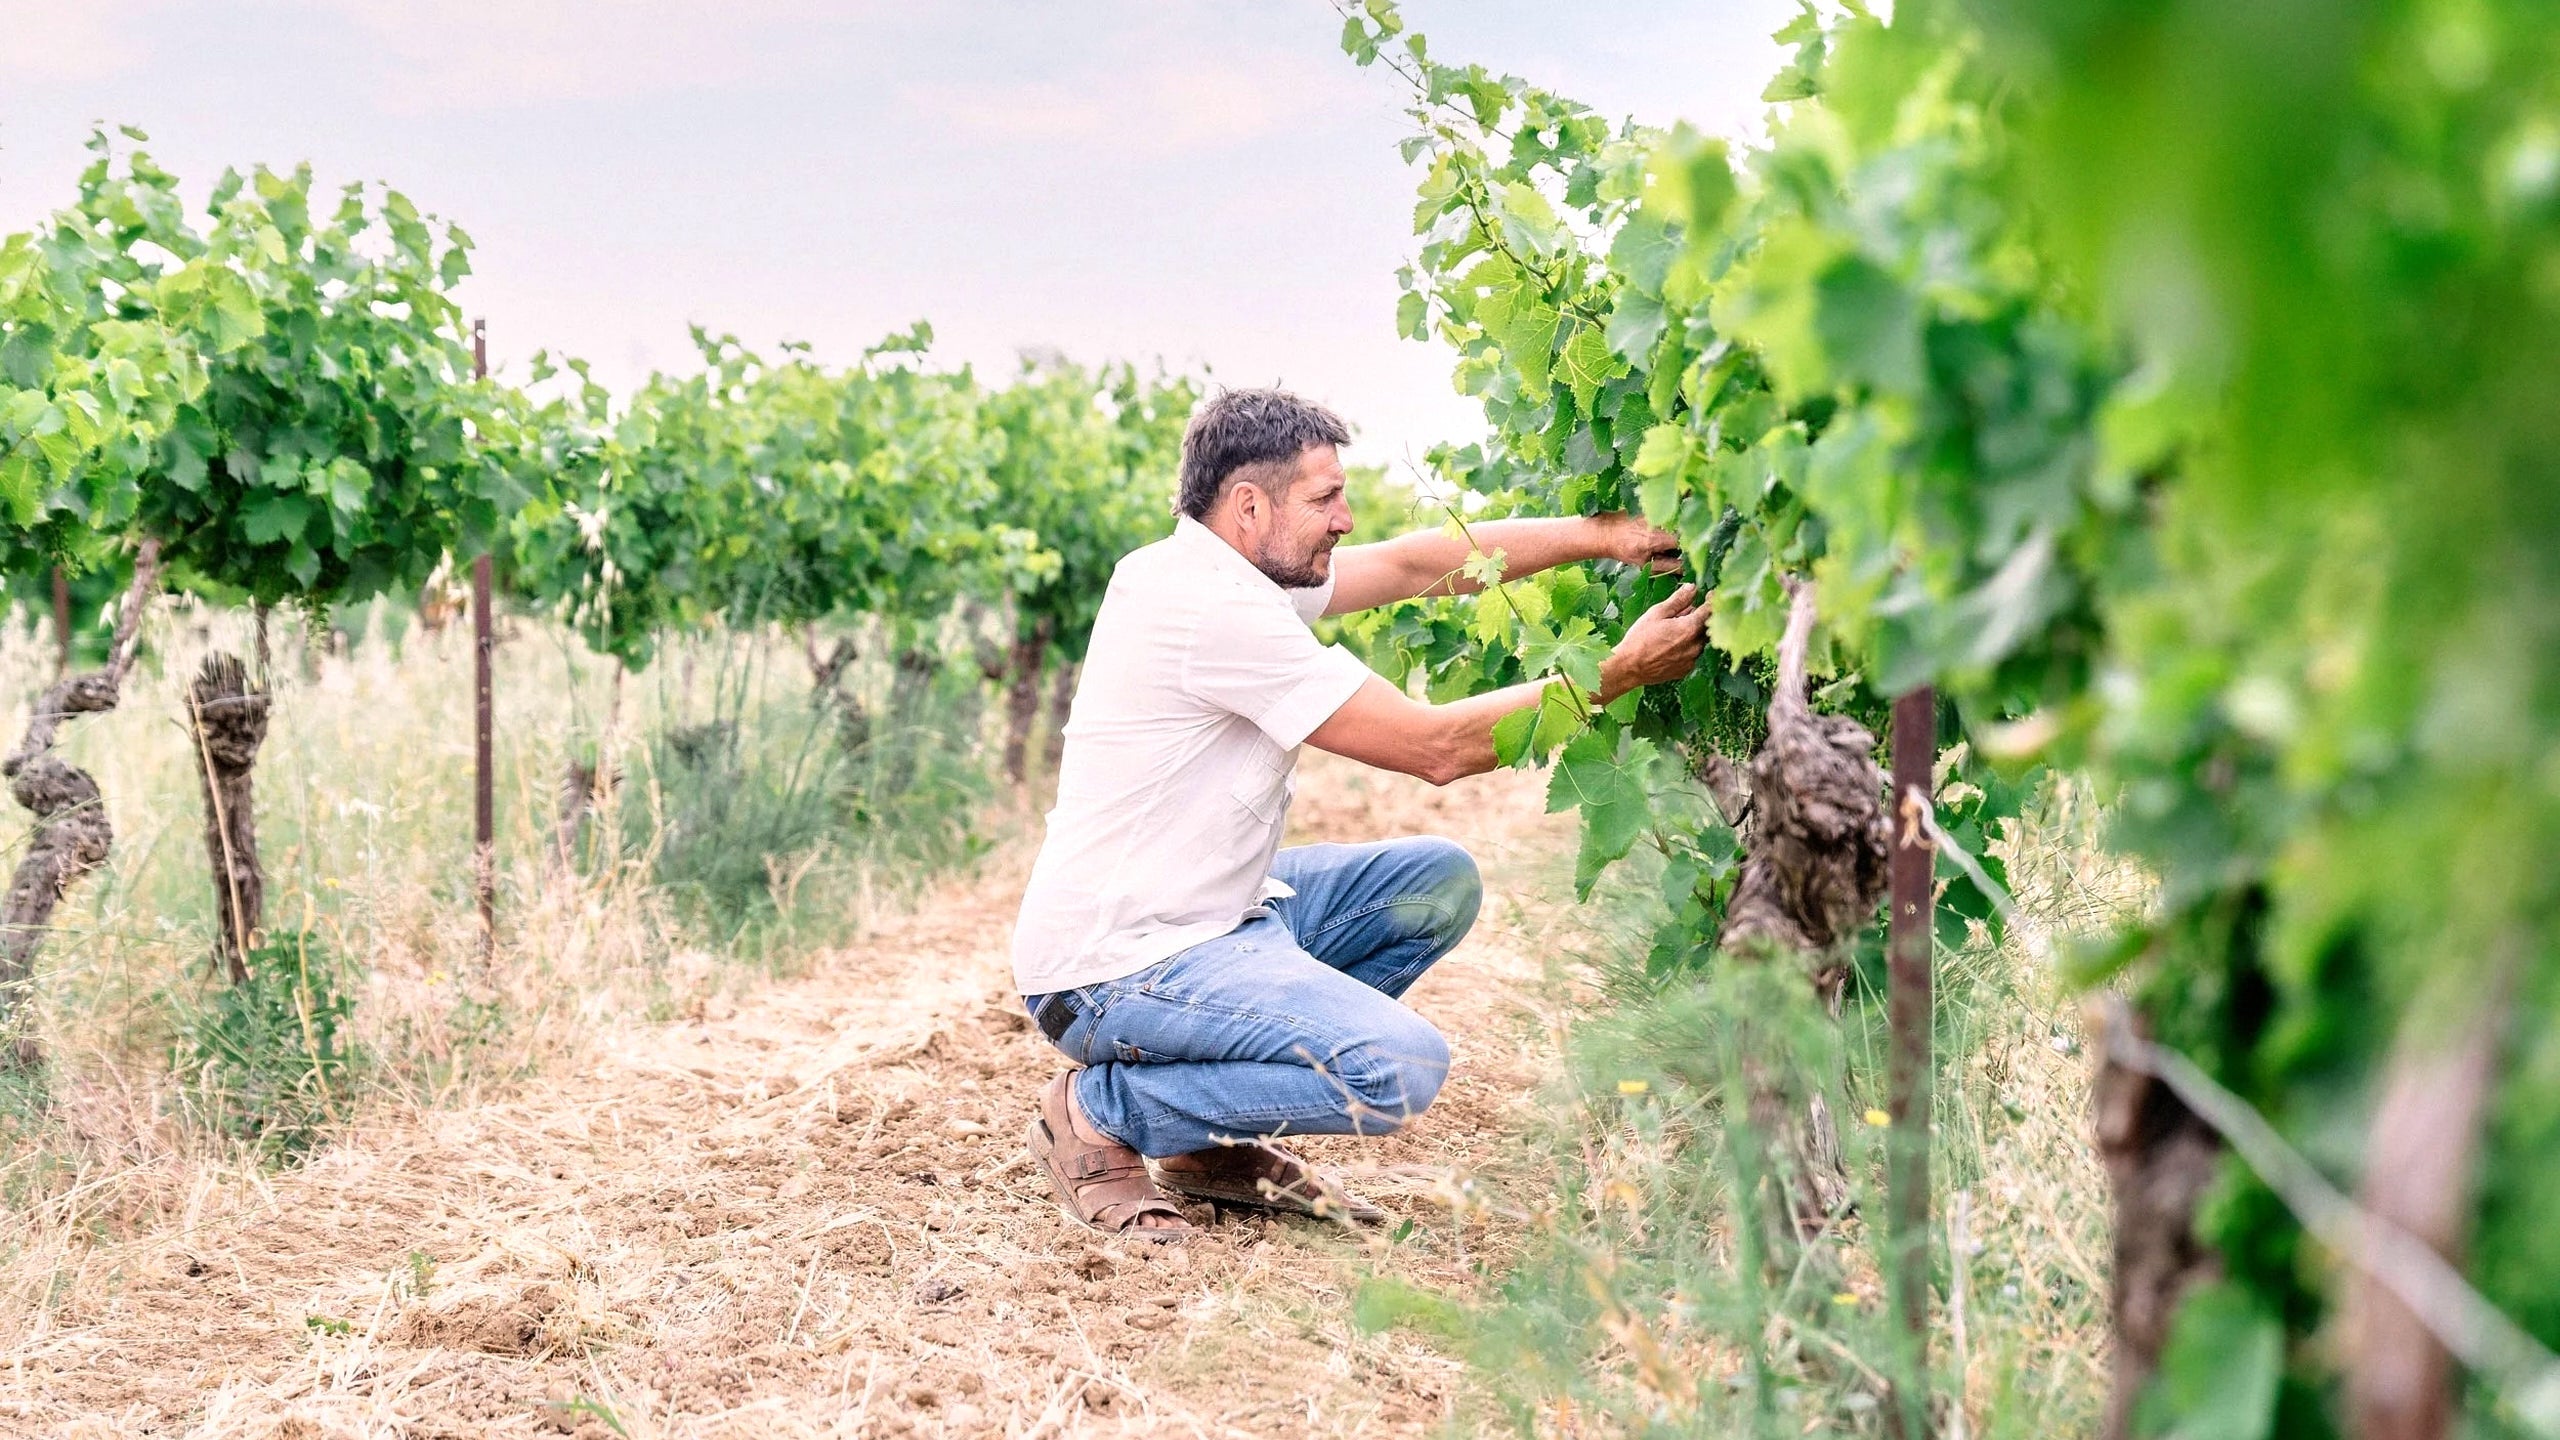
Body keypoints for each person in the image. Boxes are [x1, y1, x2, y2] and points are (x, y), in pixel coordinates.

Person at [1017, 388, 1709, 1239]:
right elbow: (1436, 748)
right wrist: (1619, 673)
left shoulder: (1219, 568)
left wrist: (1605, 535)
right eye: (1325, 499)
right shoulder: (1211, 610)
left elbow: (1416, 566)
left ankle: (1208, 1143)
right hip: (1116, 965)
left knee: (1434, 884)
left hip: (1212, 919)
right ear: (1248, 506)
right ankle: (1104, 1109)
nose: (1345, 519)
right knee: (1396, 1064)